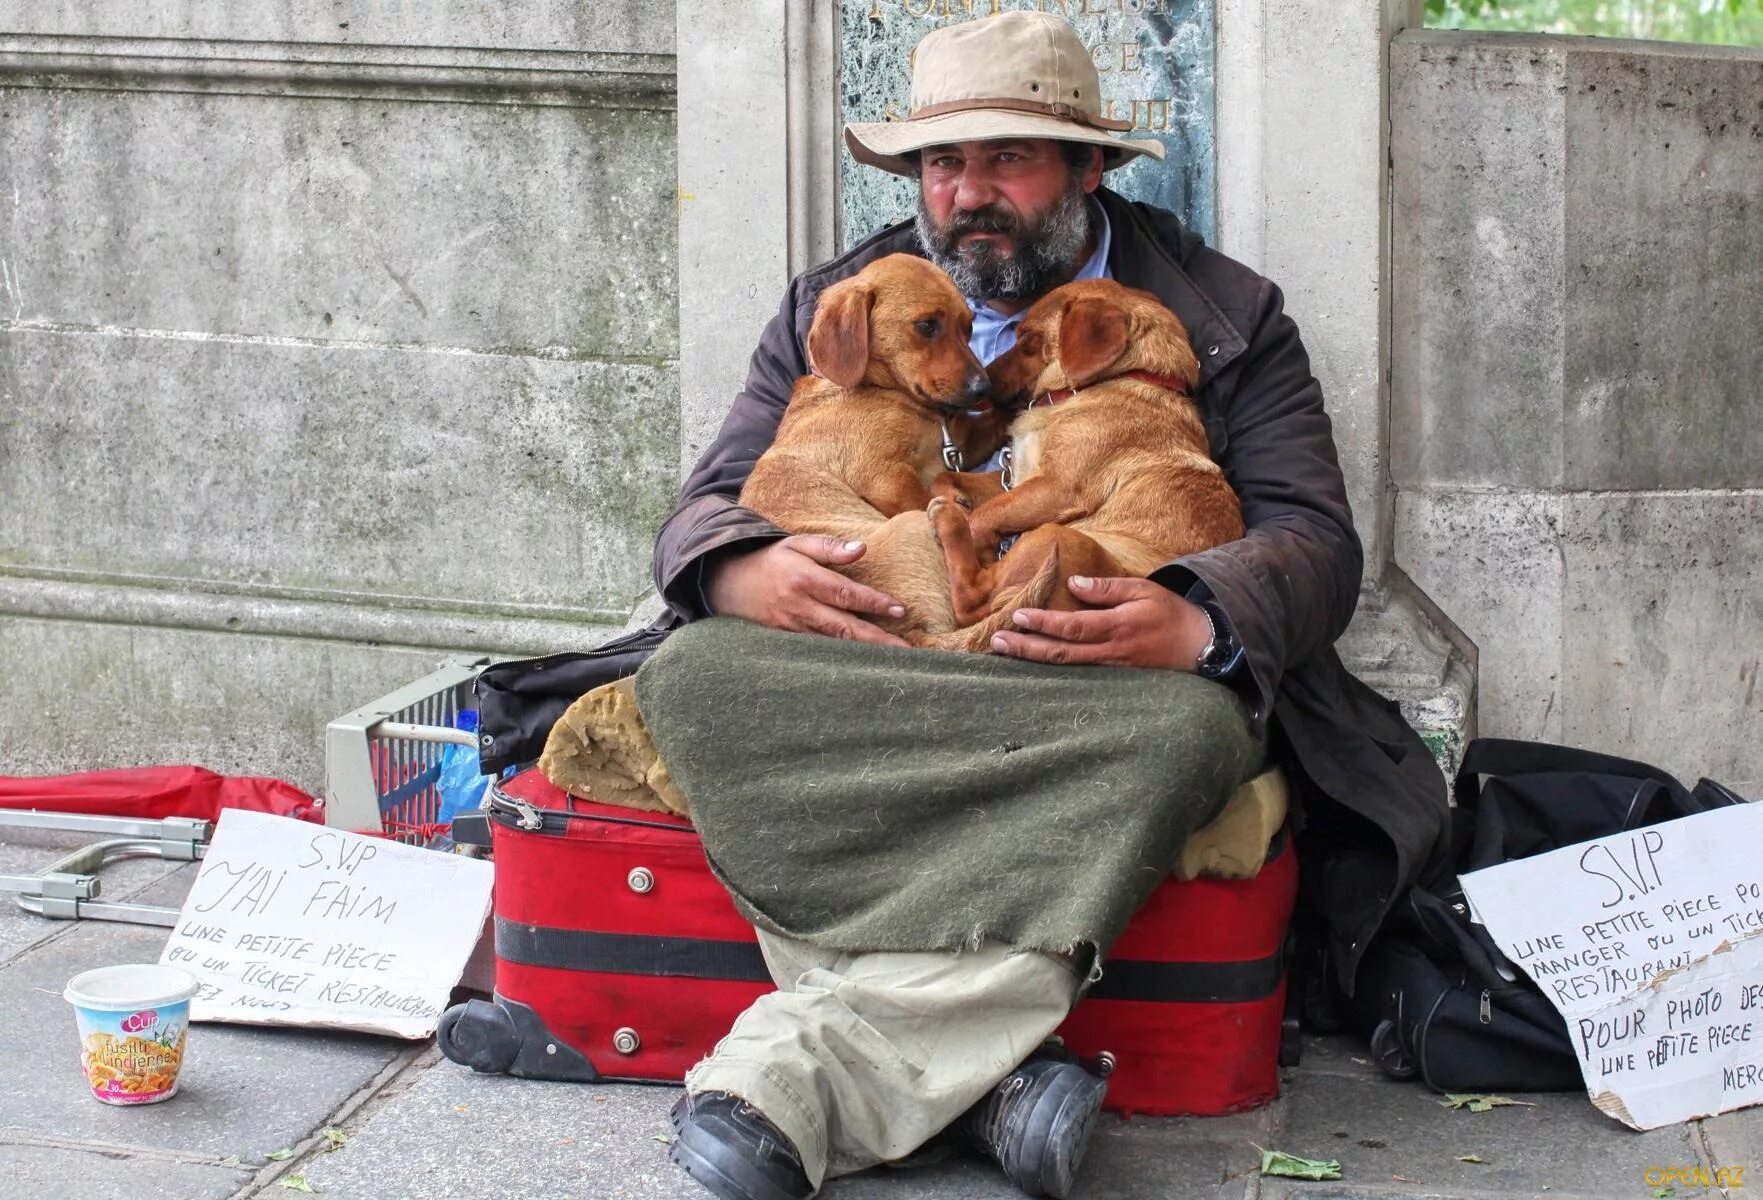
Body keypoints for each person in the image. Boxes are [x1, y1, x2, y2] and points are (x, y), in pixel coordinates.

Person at [652, 12, 1450, 1200]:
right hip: (874, 658)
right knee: (688, 679)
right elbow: (705, 503)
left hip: (1080, 676)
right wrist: (736, 570)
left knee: (1188, 732)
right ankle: (986, 1081)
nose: (967, 192)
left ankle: (785, 1078)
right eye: (940, 163)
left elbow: (1314, 542)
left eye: (1005, 159)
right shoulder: (841, 299)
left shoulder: (1227, 314)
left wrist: (1196, 617)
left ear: (1084, 169)